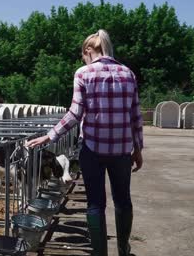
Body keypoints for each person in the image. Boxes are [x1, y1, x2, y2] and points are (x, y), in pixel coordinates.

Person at [26, 29, 143, 256]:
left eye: (83, 55)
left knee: (96, 204)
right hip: (121, 151)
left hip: (92, 149)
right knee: (123, 201)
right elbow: (136, 116)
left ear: (89, 50)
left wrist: (50, 136)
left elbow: (75, 113)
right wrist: (138, 149)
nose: (83, 59)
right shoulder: (128, 74)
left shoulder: (83, 73)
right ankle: (123, 249)